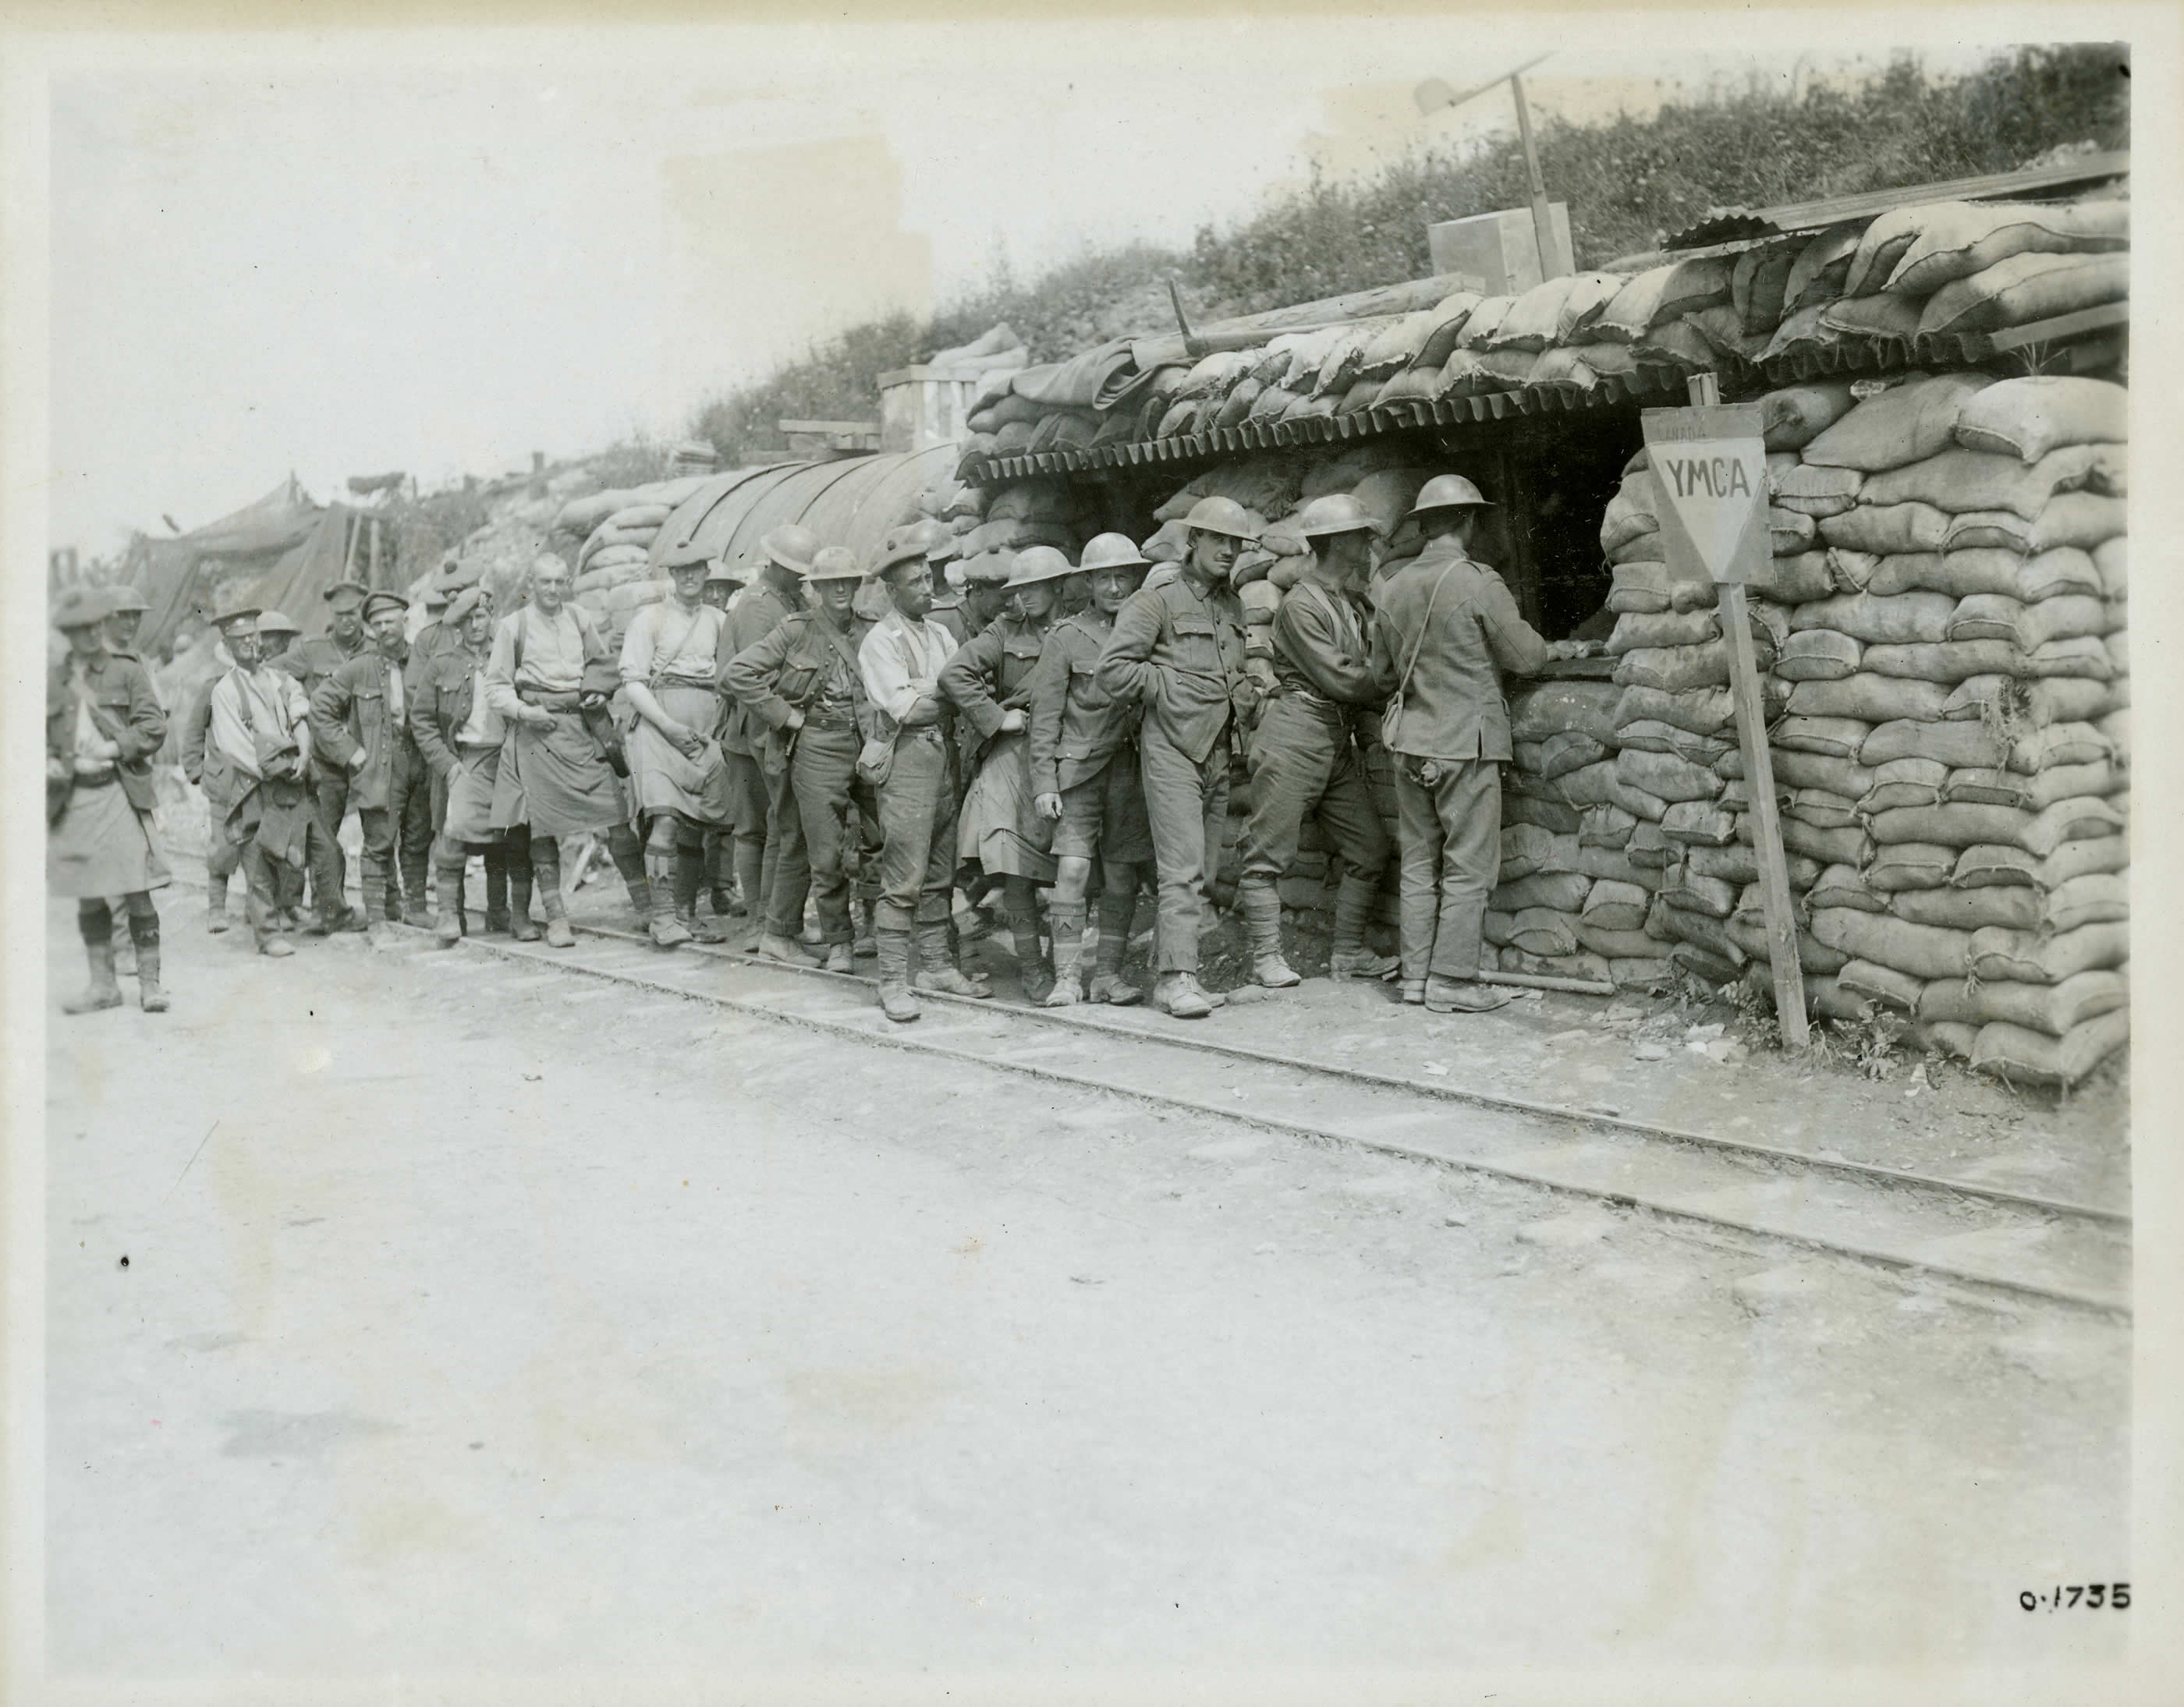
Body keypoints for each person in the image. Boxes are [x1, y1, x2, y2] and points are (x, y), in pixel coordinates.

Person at [1368, 473, 1548, 1013]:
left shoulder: (1393, 587)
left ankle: (1416, 980)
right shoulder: (1477, 581)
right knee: (1468, 865)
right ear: (1470, 521)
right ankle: (1452, 980)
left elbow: (1380, 675)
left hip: (1410, 745)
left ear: (1423, 525)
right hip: (1465, 744)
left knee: (1419, 864)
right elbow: (1527, 657)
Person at [1095, 494, 1260, 1019]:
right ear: (1194, 541)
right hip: (1171, 749)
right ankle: (1176, 977)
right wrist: (1165, 684)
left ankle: (1173, 972)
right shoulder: (1156, 601)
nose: (1229, 551)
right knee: (1182, 866)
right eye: (1219, 540)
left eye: (1236, 542)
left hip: (1217, 749)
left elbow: (1230, 671)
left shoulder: (1232, 606)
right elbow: (1113, 670)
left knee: (1206, 869)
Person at [1236, 494, 1402, 988]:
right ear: (1336, 542)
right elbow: (1347, 680)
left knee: (1369, 849)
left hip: (1332, 740)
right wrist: (1398, 680)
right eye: (1361, 535)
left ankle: (1348, 954)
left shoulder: (1348, 602)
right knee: (1267, 854)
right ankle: (1266, 958)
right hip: (1294, 736)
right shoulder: (1300, 606)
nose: (1370, 543)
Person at [484, 554, 654, 948]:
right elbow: (496, 687)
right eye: (545, 582)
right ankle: (557, 918)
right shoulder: (514, 627)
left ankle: (645, 908)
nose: (554, 590)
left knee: (616, 817)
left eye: (561, 581)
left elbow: (601, 663)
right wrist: (526, 711)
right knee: (544, 828)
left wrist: (597, 689)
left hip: (581, 726)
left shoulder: (579, 617)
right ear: (532, 582)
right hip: (536, 732)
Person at [858, 529, 991, 1022]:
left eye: (928, 576)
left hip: (945, 760)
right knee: (903, 875)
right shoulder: (879, 641)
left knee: (940, 870)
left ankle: (935, 965)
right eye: (914, 581)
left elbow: (962, 687)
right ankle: (893, 981)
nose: (926, 587)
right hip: (909, 762)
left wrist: (938, 694)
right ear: (891, 591)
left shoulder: (941, 634)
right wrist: (949, 696)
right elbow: (907, 710)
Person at [724, 544, 876, 973]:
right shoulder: (796, 630)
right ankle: (839, 942)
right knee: (823, 851)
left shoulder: (872, 630)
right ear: (817, 589)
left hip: (868, 745)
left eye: (848, 582)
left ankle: (873, 931)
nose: (841, 590)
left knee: (878, 838)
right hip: (818, 748)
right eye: (831, 584)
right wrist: (786, 716)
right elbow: (738, 673)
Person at [1027, 532, 1154, 1007]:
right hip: (1078, 772)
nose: (1116, 588)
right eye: (1106, 578)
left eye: (1124, 577)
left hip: (1130, 768)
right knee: (1075, 870)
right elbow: (1045, 716)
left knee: (1122, 876)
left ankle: (1107, 976)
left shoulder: (1146, 632)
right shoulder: (1067, 636)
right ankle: (1066, 978)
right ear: (1089, 583)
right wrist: (1044, 781)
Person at [940, 543, 1071, 1000]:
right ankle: (1033, 969)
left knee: (1073, 865)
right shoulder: (1004, 631)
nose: (1024, 597)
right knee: (1015, 868)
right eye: (1019, 588)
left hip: (1070, 754)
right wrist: (998, 719)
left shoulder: (1080, 630)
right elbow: (955, 675)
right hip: (1014, 756)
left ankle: (1064, 964)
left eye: (1035, 586)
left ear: (1059, 585)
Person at [47, 586, 172, 1012]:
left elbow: (154, 727)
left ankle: (151, 985)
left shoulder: (127, 671)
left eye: (93, 626)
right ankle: (103, 986)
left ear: (103, 625)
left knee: (136, 888)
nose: (87, 635)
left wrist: (115, 748)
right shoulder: (53, 679)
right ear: (67, 633)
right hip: (72, 798)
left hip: (118, 791)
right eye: (76, 629)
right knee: (88, 892)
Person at [620, 554, 735, 947]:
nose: (689, 576)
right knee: (666, 819)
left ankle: (686, 914)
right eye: (681, 570)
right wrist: (667, 725)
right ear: (673, 575)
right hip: (658, 726)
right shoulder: (650, 619)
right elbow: (633, 682)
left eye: (696, 569)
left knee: (696, 824)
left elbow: (732, 675)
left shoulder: (719, 621)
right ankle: (663, 917)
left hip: (704, 729)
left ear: (706, 573)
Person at [412, 587, 533, 943]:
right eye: (467, 620)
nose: (475, 625)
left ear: (490, 616)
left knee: (514, 834)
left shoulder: (513, 655)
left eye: (480, 617)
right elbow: (421, 719)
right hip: (468, 759)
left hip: (510, 757)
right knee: (456, 829)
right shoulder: (442, 663)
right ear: (457, 626)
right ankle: (449, 914)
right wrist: (447, 765)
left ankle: (512, 913)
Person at [309, 592, 431, 937]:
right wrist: (351, 751)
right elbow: (320, 709)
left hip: (421, 759)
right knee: (379, 841)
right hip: (380, 764)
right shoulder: (359, 667)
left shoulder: (423, 661)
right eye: (376, 623)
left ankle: (416, 909)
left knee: (418, 837)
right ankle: (378, 919)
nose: (383, 629)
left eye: (389, 621)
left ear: (404, 622)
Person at [716, 526, 813, 954]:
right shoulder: (759, 607)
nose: (801, 579)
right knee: (758, 828)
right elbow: (751, 677)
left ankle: (778, 921)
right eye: (794, 571)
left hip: (767, 731)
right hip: (751, 733)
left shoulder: (784, 600)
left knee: (778, 826)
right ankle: (762, 922)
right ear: (775, 566)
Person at [207, 602, 316, 959]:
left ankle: (288, 911)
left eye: (253, 637)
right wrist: (274, 770)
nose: (250, 645)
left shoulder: (282, 681)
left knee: (290, 850)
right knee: (255, 857)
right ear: (228, 645)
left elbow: (300, 715)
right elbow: (235, 746)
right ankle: (267, 933)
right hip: (252, 784)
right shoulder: (225, 691)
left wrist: (303, 753)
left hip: (287, 777)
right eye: (240, 640)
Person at [279, 579, 373, 933]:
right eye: (340, 614)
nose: (347, 620)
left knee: (378, 833)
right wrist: (297, 707)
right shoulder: (312, 651)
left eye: (353, 613)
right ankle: (325, 910)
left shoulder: (376, 648)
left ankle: (381, 907)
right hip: (326, 762)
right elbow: (270, 675)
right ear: (331, 615)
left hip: (367, 758)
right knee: (324, 837)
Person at [254, 609, 313, 929]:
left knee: (293, 835)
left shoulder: (292, 676)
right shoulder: (234, 677)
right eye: (269, 637)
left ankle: (289, 902)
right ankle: (266, 910)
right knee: (260, 839)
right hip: (253, 765)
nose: (274, 644)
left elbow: (300, 715)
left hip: (287, 764)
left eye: (281, 638)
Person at [699, 560, 747, 914]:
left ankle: (721, 886)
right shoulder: (686, 622)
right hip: (687, 714)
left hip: (721, 717)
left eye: (724, 589)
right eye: (710, 588)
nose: (716, 595)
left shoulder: (734, 623)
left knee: (725, 807)